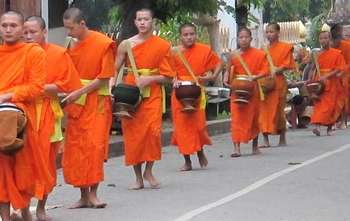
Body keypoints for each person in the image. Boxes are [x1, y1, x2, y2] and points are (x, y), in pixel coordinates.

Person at [23, 16, 82, 220]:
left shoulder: (58, 54)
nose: (29, 36)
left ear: (44, 32)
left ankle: (41, 208)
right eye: (26, 32)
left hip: (48, 112)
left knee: (46, 164)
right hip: (21, 115)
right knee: (22, 164)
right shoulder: (16, 55)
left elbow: (68, 85)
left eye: (33, 32)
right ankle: (22, 209)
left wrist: (36, 89)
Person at [61, 7, 115, 208]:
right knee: (76, 149)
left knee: (94, 148)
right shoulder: (69, 44)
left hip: (96, 104)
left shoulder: (103, 44)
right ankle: (83, 196)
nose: (69, 32)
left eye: (71, 28)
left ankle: (93, 194)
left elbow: (104, 77)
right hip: (76, 105)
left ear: (82, 24)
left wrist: (80, 92)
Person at [114, 8, 175, 189]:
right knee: (133, 136)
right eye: (139, 19)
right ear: (135, 22)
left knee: (152, 133)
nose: (142, 23)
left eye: (146, 19)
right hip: (129, 94)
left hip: (152, 94)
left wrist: (150, 79)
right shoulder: (126, 44)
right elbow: (114, 69)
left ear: (152, 22)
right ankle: (138, 177)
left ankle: (149, 170)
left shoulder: (163, 46)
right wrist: (110, 88)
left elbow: (169, 77)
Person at [0, 11, 47, 221]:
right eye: (4, 25)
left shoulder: (33, 53)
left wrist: (8, 96)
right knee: (1, 170)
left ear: (22, 29)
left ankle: (25, 209)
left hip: (21, 118)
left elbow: (37, 88)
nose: (8, 29)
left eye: (13, 25)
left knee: (23, 169)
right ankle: (5, 216)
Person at [171, 23, 222, 171]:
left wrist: (213, 75)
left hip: (197, 92)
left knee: (198, 126)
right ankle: (187, 161)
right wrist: (173, 79)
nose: (189, 37)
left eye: (192, 34)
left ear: (196, 34)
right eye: (185, 35)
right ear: (180, 36)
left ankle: (200, 151)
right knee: (182, 129)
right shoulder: (174, 52)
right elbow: (167, 70)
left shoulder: (204, 50)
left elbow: (219, 63)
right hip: (180, 94)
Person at [223, 27, 269, 157]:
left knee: (254, 117)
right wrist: (226, 78)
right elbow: (228, 69)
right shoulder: (233, 55)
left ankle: (255, 146)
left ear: (251, 39)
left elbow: (266, 70)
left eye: (246, 37)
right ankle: (236, 148)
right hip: (237, 88)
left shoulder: (259, 54)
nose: (243, 40)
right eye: (241, 37)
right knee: (236, 118)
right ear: (237, 39)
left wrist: (255, 77)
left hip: (252, 89)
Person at [259, 23, 295, 147]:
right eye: (267, 32)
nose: (269, 34)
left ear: (278, 33)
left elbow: (287, 64)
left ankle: (282, 137)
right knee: (264, 111)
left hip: (279, 83)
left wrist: (277, 69)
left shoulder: (285, 47)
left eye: (271, 32)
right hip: (266, 83)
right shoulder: (263, 49)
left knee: (279, 111)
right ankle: (265, 140)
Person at [310, 26, 346, 136]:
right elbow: (313, 68)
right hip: (319, 82)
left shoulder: (336, 53)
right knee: (319, 105)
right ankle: (316, 125)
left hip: (332, 82)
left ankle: (329, 127)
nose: (323, 41)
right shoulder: (317, 54)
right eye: (321, 38)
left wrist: (327, 76)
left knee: (330, 106)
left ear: (329, 39)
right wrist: (311, 80)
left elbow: (339, 68)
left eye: (325, 38)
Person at [331, 24, 350, 129]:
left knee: (343, 98)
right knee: (332, 99)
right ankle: (333, 121)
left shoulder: (347, 45)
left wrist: (342, 70)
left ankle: (343, 121)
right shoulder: (330, 47)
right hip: (333, 75)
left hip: (345, 75)